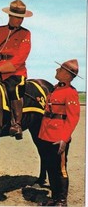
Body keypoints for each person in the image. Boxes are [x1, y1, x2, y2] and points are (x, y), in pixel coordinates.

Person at [0, 0, 33, 140]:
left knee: (13, 89)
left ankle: (16, 124)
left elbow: (20, 59)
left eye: (21, 18)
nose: (20, 20)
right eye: (17, 17)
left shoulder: (26, 34)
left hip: (15, 73)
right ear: (10, 16)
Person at [37, 59, 81, 206]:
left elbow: (73, 118)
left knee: (60, 169)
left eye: (60, 69)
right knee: (50, 166)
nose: (57, 71)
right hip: (46, 135)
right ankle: (55, 197)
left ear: (67, 75)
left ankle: (62, 201)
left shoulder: (71, 93)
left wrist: (64, 138)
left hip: (58, 137)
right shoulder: (56, 89)